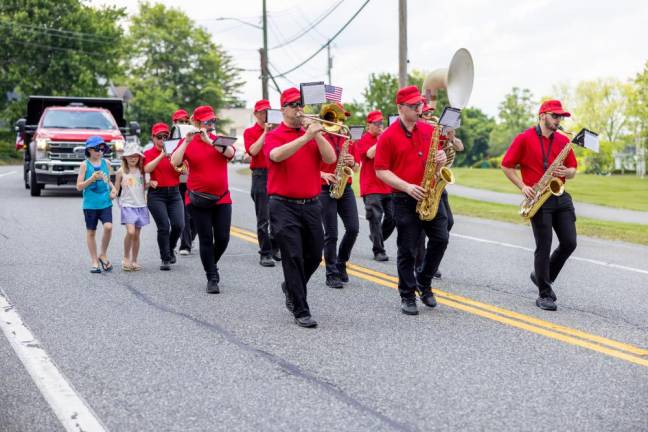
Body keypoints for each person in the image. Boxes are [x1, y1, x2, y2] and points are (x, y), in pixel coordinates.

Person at [264, 87, 336, 328]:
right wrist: (304, 138)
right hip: (283, 205)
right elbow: (275, 156)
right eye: (294, 104)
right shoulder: (275, 134)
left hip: (311, 204)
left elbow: (329, 159)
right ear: (284, 109)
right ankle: (301, 309)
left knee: (315, 255)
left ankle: (291, 287)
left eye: (301, 104)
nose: (299, 108)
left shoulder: (312, 133)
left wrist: (316, 135)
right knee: (293, 256)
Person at [375, 85, 449, 316]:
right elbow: (380, 170)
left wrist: (442, 159)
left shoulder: (429, 130)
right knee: (407, 248)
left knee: (441, 238)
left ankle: (424, 281)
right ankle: (407, 294)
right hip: (403, 197)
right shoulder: (387, 136)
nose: (420, 108)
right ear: (400, 108)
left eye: (420, 104)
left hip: (429, 193)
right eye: (414, 105)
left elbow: (437, 165)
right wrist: (407, 186)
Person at [501, 99, 578, 311]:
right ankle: (544, 294)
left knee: (570, 243)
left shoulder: (563, 140)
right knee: (543, 247)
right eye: (555, 116)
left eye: (561, 117)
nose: (559, 120)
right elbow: (506, 165)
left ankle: (542, 276)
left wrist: (567, 172)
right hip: (538, 198)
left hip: (560, 196)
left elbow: (573, 168)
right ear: (542, 115)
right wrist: (523, 186)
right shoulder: (524, 138)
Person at [171, 105, 235, 294]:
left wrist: (210, 142)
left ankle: (210, 263)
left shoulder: (218, 140)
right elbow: (175, 162)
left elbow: (230, 153)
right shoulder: (187, 141)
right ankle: (212, 277)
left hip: (222, 198)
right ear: (197, 122)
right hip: (198, 199)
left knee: (223, 238)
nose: (211, 124)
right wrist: (186, 142)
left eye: (212, 120)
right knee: (206, 238)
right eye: (207, 121)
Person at [414, 102, 465, 276]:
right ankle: (421, 265)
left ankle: (429, 259)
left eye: (431, 114)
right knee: (420, 228)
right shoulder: (418, 132)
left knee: (448, 222)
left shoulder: (439, 130)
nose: (430, 117)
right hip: (421, 182)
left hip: (437, 182)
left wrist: (451, 137)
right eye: (426, 114)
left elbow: (459, 147)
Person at [319, 102, 359, 288]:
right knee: (331, 234)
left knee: (353, 228)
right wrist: (322, 174)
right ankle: (331, 273)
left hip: (345, 187)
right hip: (324, 188)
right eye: (338, 117)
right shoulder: (319, 137)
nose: (342, 121)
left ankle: (341, 262)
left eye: (343, 118)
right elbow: (308, 166)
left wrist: (352, 162)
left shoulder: (348, 139)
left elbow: (357, 168)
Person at [144, 123, 185, 271]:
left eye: (165, 137)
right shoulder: (148, 153)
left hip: (174, 193)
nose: (162, 140)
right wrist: (162, 155)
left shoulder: (175, 152)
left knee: (179, 225)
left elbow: (184, 170)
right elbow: (146, 169)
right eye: (159, 137)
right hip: (157, 195)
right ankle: (165, 257)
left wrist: (179, 164)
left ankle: (171, 246)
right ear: (153, 138)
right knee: (163, 227)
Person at [244, 99, 280, 267]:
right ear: (256, 114)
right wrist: (265, 132)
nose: (265, 114)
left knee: (278, 216)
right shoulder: (250, 132)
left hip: (276, 173)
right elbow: (252, 151)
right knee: (263, 217)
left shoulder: (279, 130)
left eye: (268, 111)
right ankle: (265, 253)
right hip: (260, 175)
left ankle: (275, 247)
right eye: (262, 112)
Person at [355, 110, 395, 262]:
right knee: (375, 218)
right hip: (371, 186)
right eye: (376, 123)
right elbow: (370, 154)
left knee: (393, 218)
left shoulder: (386, 138)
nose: (380, 126)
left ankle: (376, 237)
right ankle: (378, 250)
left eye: (381, 123)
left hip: (388, 184)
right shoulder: (363, 139)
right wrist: (383, 139)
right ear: (368, 125)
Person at [75, 135, 117, 274]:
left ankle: (102, 254)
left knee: (108, 227)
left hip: (105, 202)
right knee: (91, 232)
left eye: (102, 148)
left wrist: (114, 190)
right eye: (97, 149)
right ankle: (94, 260)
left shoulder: (107, 163)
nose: (100, 151)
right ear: (89, 150)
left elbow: (108, 181)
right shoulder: (84, 165)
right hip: (90, 205)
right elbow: (79, 187)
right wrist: (92, 178)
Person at [114, 143, 149, 271]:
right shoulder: (121, 172)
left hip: (141, 205)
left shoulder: (142, 171)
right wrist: (112, 194)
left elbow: (145, 185)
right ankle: (125, 258)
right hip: (127, 205)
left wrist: (152, 183)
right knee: (131, 231)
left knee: (137, 235)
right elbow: (116, 189)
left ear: (139, 157)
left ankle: (134, 260)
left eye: (135, 156)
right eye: (130, 156)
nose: (133, 158)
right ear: (125, 158)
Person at [172, 108, 197, 256]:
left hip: (193, 180)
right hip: (178, 180)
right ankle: (185, 245)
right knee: (185, 213)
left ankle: (189, 238)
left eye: (185, 121)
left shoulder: (192, 135)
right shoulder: (170, 137)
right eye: (180, 121)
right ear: (174, 122)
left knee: (196, 213)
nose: (183, 123)